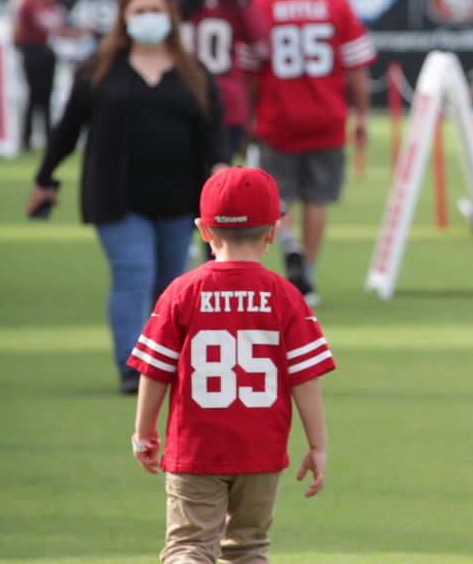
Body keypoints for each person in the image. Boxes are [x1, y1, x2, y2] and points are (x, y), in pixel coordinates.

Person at [28, 0, 228, 394]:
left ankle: (165, 363)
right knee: (133, 273)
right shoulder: (98, 70)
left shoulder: (195, 73)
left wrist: (221, 173)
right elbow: (67, 130)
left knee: (171, 285)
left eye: (156, 10)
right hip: (117, 197)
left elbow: (214, 135)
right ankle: (130, 366)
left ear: (171, 16)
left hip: (180, 199)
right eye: (139, 11)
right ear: (123, 17)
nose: (148, 18)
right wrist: (45, 177)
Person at [128, 166, 333, 563]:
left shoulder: (182, 292)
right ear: (273, 231)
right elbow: (305, 379)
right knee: (248, 549)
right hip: (261, 452)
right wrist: (317, 444)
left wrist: (144, 432)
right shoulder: (286, 296)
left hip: (195, 450)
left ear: (204, 230)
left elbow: (154, 370)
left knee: (189, 546)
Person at [248, 0, 376, 305]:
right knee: (317, 199)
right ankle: (309, 273)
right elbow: (356, 67)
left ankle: (290, 245)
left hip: (278, 115)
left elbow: (252, 68)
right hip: (326, 115)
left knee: (280, 195)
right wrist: (363, 116)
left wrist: (250, 116)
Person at [168, 0, 258, 162]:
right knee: (217, 183)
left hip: (180, 94)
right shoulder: (235, 0)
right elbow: (261, 45)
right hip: (228, 99)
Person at [11, 0, 81, 150]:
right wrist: (25, 49)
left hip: (49, 52)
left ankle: (50, 139)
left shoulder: (54, 6)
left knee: (47, 97)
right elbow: (18, 31)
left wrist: (80, 33)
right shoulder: (28, 4)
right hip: (32, 52)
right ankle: (25, 140)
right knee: (34, 96)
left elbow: (60, 30)